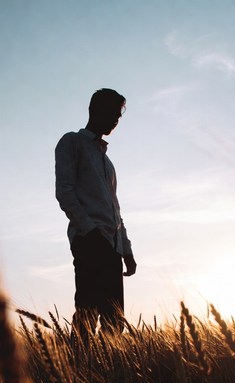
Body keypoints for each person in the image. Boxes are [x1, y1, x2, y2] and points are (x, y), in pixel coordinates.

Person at [55, 88, 137, 343]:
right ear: (93, 110)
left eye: (119, 114)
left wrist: (126, 250)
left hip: (112, 247)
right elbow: (65, 192)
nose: (116, 119)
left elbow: (115, 210)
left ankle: (106, 376)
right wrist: (89, 232)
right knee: (87, 315)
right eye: (112, 112)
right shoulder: (72, 142)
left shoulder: (107, 162)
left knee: (114, 321)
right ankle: (78, 372)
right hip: (89, 241)